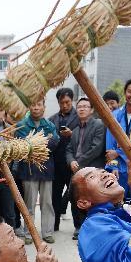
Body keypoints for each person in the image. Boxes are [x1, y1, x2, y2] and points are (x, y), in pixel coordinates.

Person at [13, 99, 59, 243]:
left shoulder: (49, 124)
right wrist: (44, 141)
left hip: (47, 170)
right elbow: (23, 145)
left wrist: (35, 143)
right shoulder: (22, 125)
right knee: (29, 205)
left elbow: (54, 143)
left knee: (47, 203)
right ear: (29, 107)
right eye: (33, 104)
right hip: (29, 170)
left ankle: (47, 233)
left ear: (44, 107)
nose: (36, 107)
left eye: (39, 104)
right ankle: (28, 234)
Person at [65, 97, 106, 237]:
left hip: (93, 170)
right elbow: (69, 149)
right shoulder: (75, 130)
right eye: (79, 106)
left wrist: (79, 163)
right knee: (75, 197)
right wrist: (71, 161)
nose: (82, 109)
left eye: (85, 106)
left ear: (92, 109)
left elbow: (97, 148)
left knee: (93, 199)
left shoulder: (99, 125)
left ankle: (91, 227)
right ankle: (78, 226)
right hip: (77, 169)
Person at [48, 87, 79, 233]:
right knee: (55, 195)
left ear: (72, 100)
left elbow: (83, 137)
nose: (65, 105)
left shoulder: (79, 117)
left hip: (73, 163)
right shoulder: (52, 120)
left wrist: (72, 134)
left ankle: (78, 226)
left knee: (74, 195)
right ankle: (54, 225)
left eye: (67, 102)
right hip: (56, 163)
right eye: (62, 103)